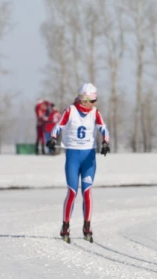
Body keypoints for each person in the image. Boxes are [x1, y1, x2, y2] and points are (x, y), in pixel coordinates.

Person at [47, 83, 110, 243]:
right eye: (92, 101)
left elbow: (103, 128)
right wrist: (53, 138)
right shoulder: (70, 111)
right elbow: (58, 126)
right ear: (84, 100)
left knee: (87, 192)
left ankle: (87, 226)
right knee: (72, 192)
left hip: (89, 157)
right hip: (73, 156)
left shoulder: (95, 112)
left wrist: (105, 142)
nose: (94, 104)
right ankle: (65, 226)